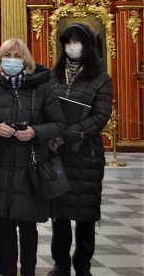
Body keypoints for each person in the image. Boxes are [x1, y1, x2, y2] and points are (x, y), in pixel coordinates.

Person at [0, 38, 66, 276]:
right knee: (4, 228)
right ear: (0, 59)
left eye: (17, 56)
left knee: (28, 228)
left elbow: (58, 123)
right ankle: (7, 270)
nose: (12, 60)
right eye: (8, 56)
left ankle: (28, 271)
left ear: (25, 60)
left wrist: (35, 132)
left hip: (30, 169)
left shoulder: (42, 88)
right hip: (0, 169)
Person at [47, 23, 113, 276]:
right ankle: (60, 264)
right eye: (68, 41)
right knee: (59, 213)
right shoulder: (54, 75)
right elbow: (46, 107)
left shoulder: (101, 78)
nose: (72, 46)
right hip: (58, 154)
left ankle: (83, 266)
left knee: (85, 213)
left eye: (78, 41)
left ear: (88, 45)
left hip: (86, 155)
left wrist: (66, 134)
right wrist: (49, 133)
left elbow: (100, 117)